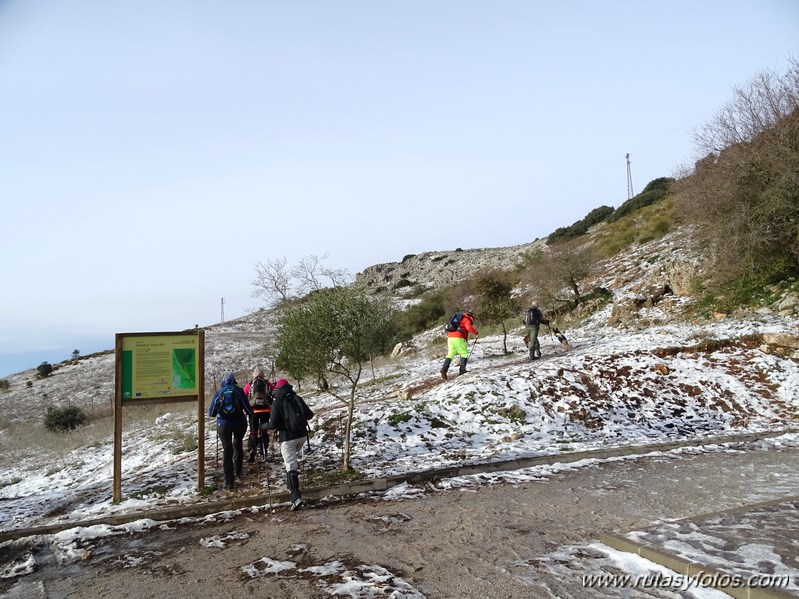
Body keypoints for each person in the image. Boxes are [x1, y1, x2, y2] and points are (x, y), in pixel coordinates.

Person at [259, 378, 314, 511]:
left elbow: (273, 424)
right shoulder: (297, 398)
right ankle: (293, 490)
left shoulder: (277, 401)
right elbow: (310, 415)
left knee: (290, 466)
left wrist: (261, 426)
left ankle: (295, 497)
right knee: (292, 462)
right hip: (302, 436)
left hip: (288, 438)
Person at [209, 372, 253, 490]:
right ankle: (238, 471)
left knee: (227, 449)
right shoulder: (239, 392)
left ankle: (229, 481)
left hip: (223, 424)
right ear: (234, 381)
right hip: (239, 422)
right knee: (238, 443)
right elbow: (248, 410)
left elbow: (211, 413)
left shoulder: (219, 393)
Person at [243, 366, 274, 462]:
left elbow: (244, 394)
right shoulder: (267, 383)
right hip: (266, 410)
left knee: (253, 431)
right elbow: (273, 392)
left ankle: (252, 449)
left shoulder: (250, 384)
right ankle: (264, 451)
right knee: (264, 431)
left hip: (253, 411)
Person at [440, 311, 479, 380]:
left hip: (450, 338)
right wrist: (476, 333)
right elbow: (468, 327)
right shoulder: (466, 319)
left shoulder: (458, 318)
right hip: (459, 338)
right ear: (471, 316)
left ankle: (444, 370)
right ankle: (462, 370)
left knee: (450, 354)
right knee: (464, 353)